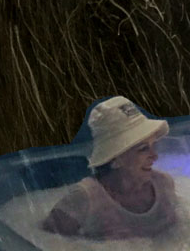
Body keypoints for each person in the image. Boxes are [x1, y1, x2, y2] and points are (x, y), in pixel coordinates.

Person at [40, 96, 178, 240]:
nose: (154, 156)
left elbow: (183, 236)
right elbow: (47, 246)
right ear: (116, 158)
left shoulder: (164, 184)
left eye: (153, 145)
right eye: (143, 149)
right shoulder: (85, 198)